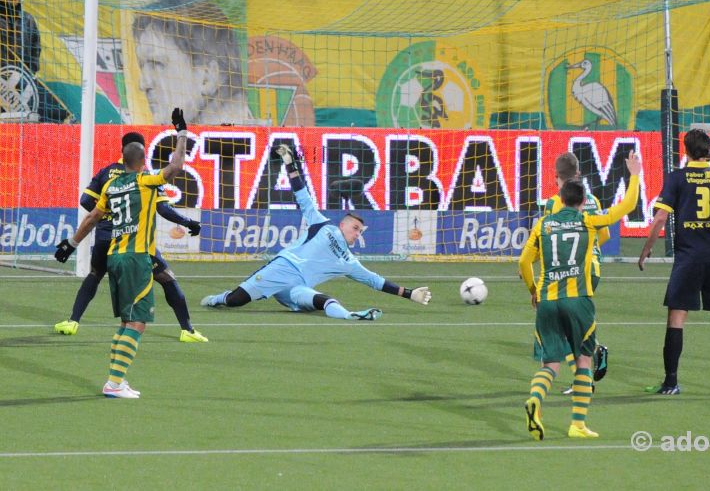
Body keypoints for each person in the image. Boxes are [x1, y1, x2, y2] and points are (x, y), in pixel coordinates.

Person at [200, 144, 432, 319]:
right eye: (355, 228)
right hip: (282, 268)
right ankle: (218, 299)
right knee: (235, 301)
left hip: (297, 289)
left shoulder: (348, 261)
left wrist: (409, 293)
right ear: (342, 224)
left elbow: (376, 281)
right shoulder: (322, 224)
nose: (357, 233)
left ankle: (351, 317)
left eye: (360, 231)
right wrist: (290, 163)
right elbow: (303, 196)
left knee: (325, 300)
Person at [54, 107, 189, 399]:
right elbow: (176, 166)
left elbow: (91, 219)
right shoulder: (146, 181)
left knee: (126, 322)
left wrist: (71, 244)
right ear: (143, 161)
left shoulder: (111, 185)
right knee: (138, 323)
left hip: (114, 257)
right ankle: (114, 383)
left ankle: (118, 379)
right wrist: (181, 133)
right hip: (137, 258)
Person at [519, 150, 641, 440]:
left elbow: (524, 262)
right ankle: (577, 425)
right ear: (584, 202)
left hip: (547, 300)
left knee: (550, 364)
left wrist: (534, 290)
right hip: (579, 299)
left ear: (559, 198)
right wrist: (634, 175)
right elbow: (627, 206)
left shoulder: (543, 223)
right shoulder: (589, 220)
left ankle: (535, 400)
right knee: (584, 360)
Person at [53, 131, 207, 343]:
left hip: (107, 238)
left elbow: (87, 203)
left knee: (95, 275)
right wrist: (188, 222)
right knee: (166, 280)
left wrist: (75, 241)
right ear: (142, 156)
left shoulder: (107, 176)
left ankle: (73, 321)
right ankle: (187, 330)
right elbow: (163, 206)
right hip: (135, 245)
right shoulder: (146, 178)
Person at [638, 128, 710, 396]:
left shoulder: (677, 178)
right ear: (709, 150)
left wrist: (646, 249)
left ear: (686, 150)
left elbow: (659, 218)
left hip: (689, 258)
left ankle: (671, 382)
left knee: (676, 318)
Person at [533, 152, 612, 395]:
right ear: (578, 172)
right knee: (574, 323)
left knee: (562, 324)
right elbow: (605, 235)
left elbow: (547, 240)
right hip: (592, 269)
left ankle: (586, 373)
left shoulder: (554, 203)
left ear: (555, 176)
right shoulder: (592, 200)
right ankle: (589, 363)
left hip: (570, 272)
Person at [132, 0, 260, 126]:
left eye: (156, 64)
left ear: (208, 76)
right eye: (142, 66)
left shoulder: (235, 138)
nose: (143, 84)